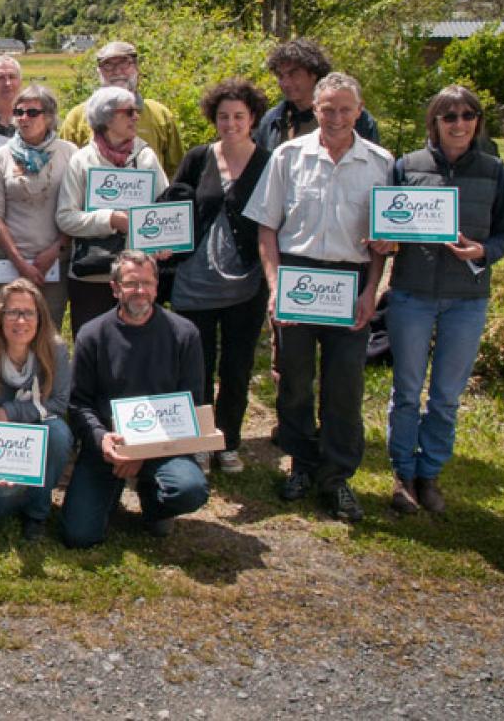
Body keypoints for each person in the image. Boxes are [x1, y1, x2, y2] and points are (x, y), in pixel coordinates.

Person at [244, 72, 392, 522]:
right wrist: (275, 288)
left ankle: (336, 476)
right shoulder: (289, 156)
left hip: (351, 282)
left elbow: (383, 241)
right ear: (316, 110)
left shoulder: (381, 163)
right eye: (328, 109)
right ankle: (301, 465)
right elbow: (266, 227)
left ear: (359, 112)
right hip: (298, 280)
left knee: (345, 385)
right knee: (294, 382)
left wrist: (372, 291)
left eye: (345, 109)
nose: (336, 117)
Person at [379, 86, 504, 515]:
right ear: (434, 122)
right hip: (412, 294)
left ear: (478, 121)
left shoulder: (495, 172)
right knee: (406, 389)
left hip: (466, 299)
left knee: (446, 395)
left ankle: (429, 472)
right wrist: (384, 239)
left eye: (468, 115)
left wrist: (483, 251)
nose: (459, 123)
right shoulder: (408, 167)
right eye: (449, 116)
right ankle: (402, 473)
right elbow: (387, 223)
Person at [61, 252, 209, 547]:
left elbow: (191, 404)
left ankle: (153, 500)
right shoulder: (92, 335)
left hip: (166, 444)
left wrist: (142, 452)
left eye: (147, 283)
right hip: (108, 447)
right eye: (131, 283)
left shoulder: (184, 334)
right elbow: (78, 403)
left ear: (156, 286)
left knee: (189, 489)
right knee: (78, 536)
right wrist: (102, 439)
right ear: (115, 288)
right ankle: (110, 489)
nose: (139, 291)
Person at [162, 79, 272, 474]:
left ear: (253, 118)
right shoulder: (197, 157)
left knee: (237, 367)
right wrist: (159, 242)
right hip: (195, 282)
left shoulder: (269, 162)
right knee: (198, 367)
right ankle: (200, 442)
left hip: (247, 285)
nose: (230, 124)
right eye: (223, 116)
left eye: (239, 116)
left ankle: (229, 441)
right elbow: (170, 205)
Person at [0, 279, 73, 540]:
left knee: (57, 434)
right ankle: (0, 497)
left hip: (37, 425)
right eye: (12, 312)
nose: (20, 321)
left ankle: (37, 512)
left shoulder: (55, 350)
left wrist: (11, 411)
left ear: (40, 317)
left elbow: (58, 403)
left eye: (28, 313)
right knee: (3, 497)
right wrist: (0, 465)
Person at [55, 85, 170, 338]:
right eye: (128, 112)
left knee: (137, 347)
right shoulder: (82, 160)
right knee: (93, 346)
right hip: (92, 276)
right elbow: (65, 218)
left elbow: (165, 210)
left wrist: (165, 241)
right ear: (107, 118)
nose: (136, 117)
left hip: (136, 276)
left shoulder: (146, 158)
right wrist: (111, 220)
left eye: (136, 111)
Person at [0, 84, 76, 329]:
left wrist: (55, 251)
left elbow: (77, 207)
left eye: (32, 112)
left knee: (49, 330)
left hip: (55, 263)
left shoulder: (70, 154)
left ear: (49, 117)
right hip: (11, 263)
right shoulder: (0, 157)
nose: (24, 118)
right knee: (13, 330)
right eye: (18, 112)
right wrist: (19, 261)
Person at [59, 41, 185, 177]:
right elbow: (65, 170)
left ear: (137, 68)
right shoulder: (77, 117)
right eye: (108, 65)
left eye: (124, 63)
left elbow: (177, 171)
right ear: (98, 72)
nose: (117, 71)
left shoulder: (160, 115)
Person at [253, 37, 379, 151]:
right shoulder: (272, 121)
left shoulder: (358, 119)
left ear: (313, 74)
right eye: (280, 76)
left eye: (293, 74)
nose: (286, 83)